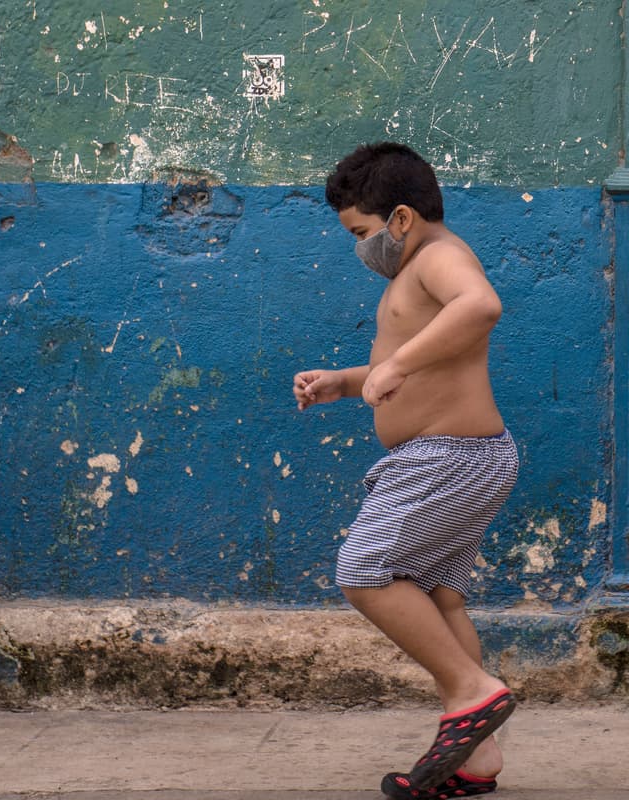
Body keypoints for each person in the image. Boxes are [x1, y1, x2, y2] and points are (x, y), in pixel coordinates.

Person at [293, 142, 519, 799]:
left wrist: (394, 367)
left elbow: (480, 307)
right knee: (441, 598)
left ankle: (470, 693)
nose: (359, 249)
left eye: (361, 234)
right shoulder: (416, 273)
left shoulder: (440, 258)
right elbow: (426, 358)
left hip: (445, 459)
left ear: (399, 220)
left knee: (363, 571)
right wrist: (347, 380)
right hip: (465, 458)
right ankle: (477, 758)